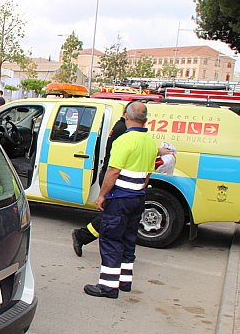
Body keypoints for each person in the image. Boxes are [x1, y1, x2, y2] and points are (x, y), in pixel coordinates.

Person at [71, 101, 175, 256]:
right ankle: (84, 237)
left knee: (112, 216)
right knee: (112, 218)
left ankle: (83, 236)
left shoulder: (124, 128)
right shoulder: (123, 130)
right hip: (115, 177)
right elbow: (122, 160)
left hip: (118, 179)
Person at [84, 102, 158, 298]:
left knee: (111, 239)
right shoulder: (150, 142)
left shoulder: (124, 141)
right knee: (128, 239)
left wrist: (102, 195)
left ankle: (108, 287)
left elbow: (113, 170)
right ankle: (124, 281)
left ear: (126, 116)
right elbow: (148, 174)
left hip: (120, 199)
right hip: (137, 197)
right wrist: (138, 190)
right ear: (145, 120)